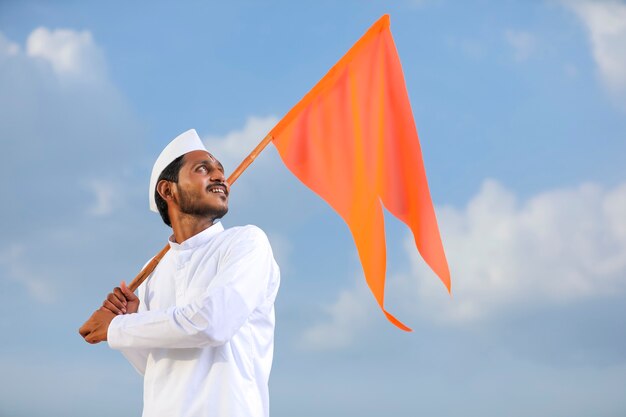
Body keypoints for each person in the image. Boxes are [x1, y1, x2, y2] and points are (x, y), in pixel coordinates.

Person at [79, 129, 280, 417]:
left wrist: (116, 328)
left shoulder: (246, 242)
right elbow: (156, 368)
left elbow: (214, 322)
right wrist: (130, 319)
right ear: (167, 190)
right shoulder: (153, 271)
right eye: (203, 168)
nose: (219, 177)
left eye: (220, 171)